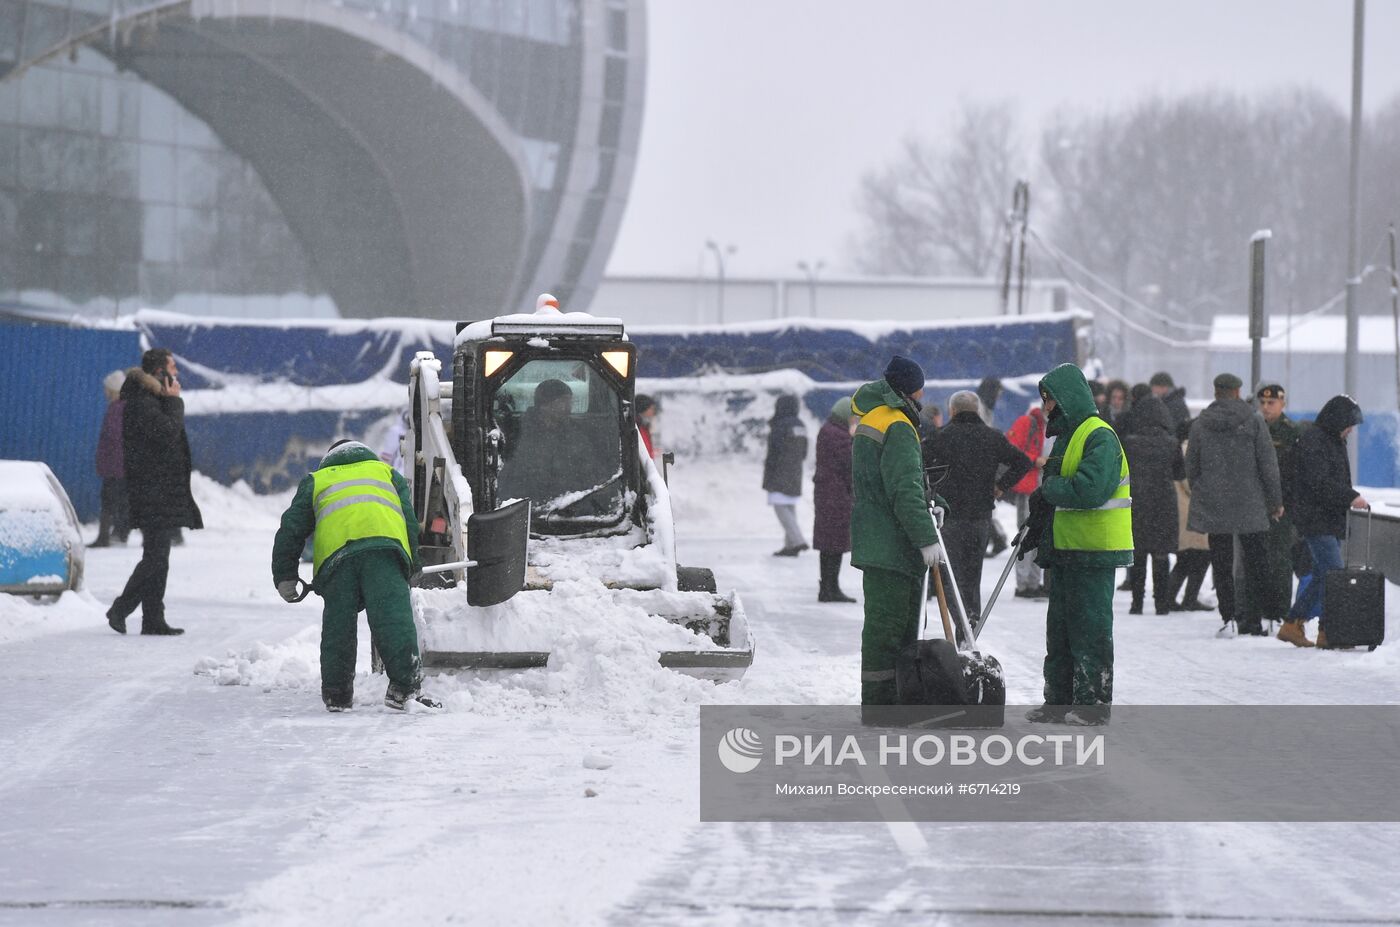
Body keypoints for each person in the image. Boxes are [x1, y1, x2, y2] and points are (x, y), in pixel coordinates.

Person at [272, 438, 438, 712]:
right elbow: (408, 518)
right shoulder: (386, 473)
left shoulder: (318, 480)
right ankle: (404, 689)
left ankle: (337, 695)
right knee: (393, 619)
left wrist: (284, 575)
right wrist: (413, 564)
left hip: (337, 561)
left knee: (339, 626)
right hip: (384, 550)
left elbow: (291, 529)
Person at [1022, 363, 1132, 726]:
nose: (1046, 409)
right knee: (1061, 630)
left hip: (1094, 550)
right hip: (1068, 548)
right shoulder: (1068, 437)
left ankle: (1092, 704)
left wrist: (1048, 491)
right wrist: (1039, 519)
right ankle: (1057, 701)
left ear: (1066, 400)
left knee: (1090, 630)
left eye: (1050, 401)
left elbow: (1088, 490)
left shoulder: (1099, 436)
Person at [852, 356, 942, 706]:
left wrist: (935, 502)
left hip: (878, 541)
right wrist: (926, 537)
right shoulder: (899, 425)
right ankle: (881, 705)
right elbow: (904, 491)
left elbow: (898, 482)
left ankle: (887, 702)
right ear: (910, 389)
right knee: (891, 632)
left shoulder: (874, 417)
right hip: (893, 546)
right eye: (920, 386)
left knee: (885, 629)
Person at [105, 348, 202, 636]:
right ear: (160, 372)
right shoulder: (142, 401)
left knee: (158, 556)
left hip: (161, 489)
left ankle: (153, 618)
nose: (177, 374)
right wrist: (175, 402)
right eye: (173, 367)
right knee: (155, 558)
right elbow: (167, 433)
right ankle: (121, 608)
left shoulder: (152, 399)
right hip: (151, 490)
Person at [1185, 373, 1284, 637]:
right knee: (1260, 562)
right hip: (1251, 503)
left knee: (1222, 564)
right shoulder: (1254, 421)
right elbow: (1268, 465)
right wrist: (1275, 501)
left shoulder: (1200, 424)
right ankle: (1272, 618)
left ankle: (1228, 620)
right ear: (1239, 392)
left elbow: (1191, 467)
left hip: (1216, 504)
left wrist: (1206, 491)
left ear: (1216, 392)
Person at [921, 390, 1031, 623]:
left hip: (950, 517)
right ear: (978, 410)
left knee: (952, 574)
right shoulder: (992, 437)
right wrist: (1001, 485)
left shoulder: (941, 437)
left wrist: (931, 490)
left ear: (952, 411)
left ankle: (961, 622)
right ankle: (971, 619)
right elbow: (1022, 462)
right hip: (981, 516)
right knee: (973, 575)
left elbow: (918, 464)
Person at [1286, 395, 1368, 648]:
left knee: (1324, 575)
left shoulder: (1331, 440)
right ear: (1337, 420)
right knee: (1334, 575)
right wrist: (1350, 496)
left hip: (1326, 517)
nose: (1351, 430)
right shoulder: (1316, 441)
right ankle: (1329, 631)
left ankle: (1293, 624)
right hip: (1316, 518)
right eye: (1349, 424)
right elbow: (1319, 483)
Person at [1233, 384, 1305, 644]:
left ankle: (1279, 611)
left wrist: (1286, 503)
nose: (1266, 408)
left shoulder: (1291, 432)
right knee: (1253, 562)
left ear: (1282, 404)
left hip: (1282, 507)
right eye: (1262, 404)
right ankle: (1254, 611)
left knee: (1280, 560)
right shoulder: (1250, 429)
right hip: (1254, 505)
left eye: (1271, 403)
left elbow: (1295, 472)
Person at [1119, 396, 1184, 615]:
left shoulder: (1129, 443)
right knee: (1161, 555)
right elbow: (1180, 473)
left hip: (1137, 502)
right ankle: (1161, 603)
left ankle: (1137, 603)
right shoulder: (1172, 443)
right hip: (1163, 502)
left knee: (1138, 554)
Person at [813, 397, 858, 602]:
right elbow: (849, 463)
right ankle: (830, 588)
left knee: (829, 543)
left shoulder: (828, 430)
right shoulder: (838, 435)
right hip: (836, 496)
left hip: (828, 494)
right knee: (834, 542)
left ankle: (829, 586)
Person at [1005, 401, 1049, 598]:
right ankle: (1024, 584)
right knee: (1027, 532)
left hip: (1043, 485)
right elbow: (1011, 450)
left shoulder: (1047, 424)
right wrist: (1034, 459)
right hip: (1030, 485)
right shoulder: (1029, 422)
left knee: (1038, 534)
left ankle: (1032, 581)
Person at [1167, 441, 1214, 612]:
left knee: (1188, 558)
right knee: (1199, 557)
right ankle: (1185, 598)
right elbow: (1191, 484)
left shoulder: (1185, 448)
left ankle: (1173, 596)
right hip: (1193, 511)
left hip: (1186, 510)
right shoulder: (1193, 450)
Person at [764, 394, 810, 556]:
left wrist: (769, 473)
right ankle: (790, 546)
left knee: (780, 506)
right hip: (795, 471)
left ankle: (797, 540)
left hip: (779, 471)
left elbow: (773, 452)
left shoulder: (780, 425)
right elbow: (804, 452)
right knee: (789, 506)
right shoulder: (800, 425)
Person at [90, 370, 130, 548]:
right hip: (119, 466)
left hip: (116, 467)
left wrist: (107, 461)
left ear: (114, 390)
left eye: (107, 389)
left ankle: (105, 537)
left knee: (109, 501)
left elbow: (115, 438)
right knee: (119, 501)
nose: (105, 392)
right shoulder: (123, 407)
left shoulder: (117, 408)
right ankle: (116, 534)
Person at [1149, 371, 1192, 441]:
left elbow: (1175, 427)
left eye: (1154, 388)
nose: (1153, 391)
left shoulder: (1173, 405)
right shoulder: (1173, 401)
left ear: (1164, 387)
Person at [635, 394, 660, 459]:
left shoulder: (644, 425)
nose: (654, 412)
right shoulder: (637, 426)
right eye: (651, 408)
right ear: (643, 408)